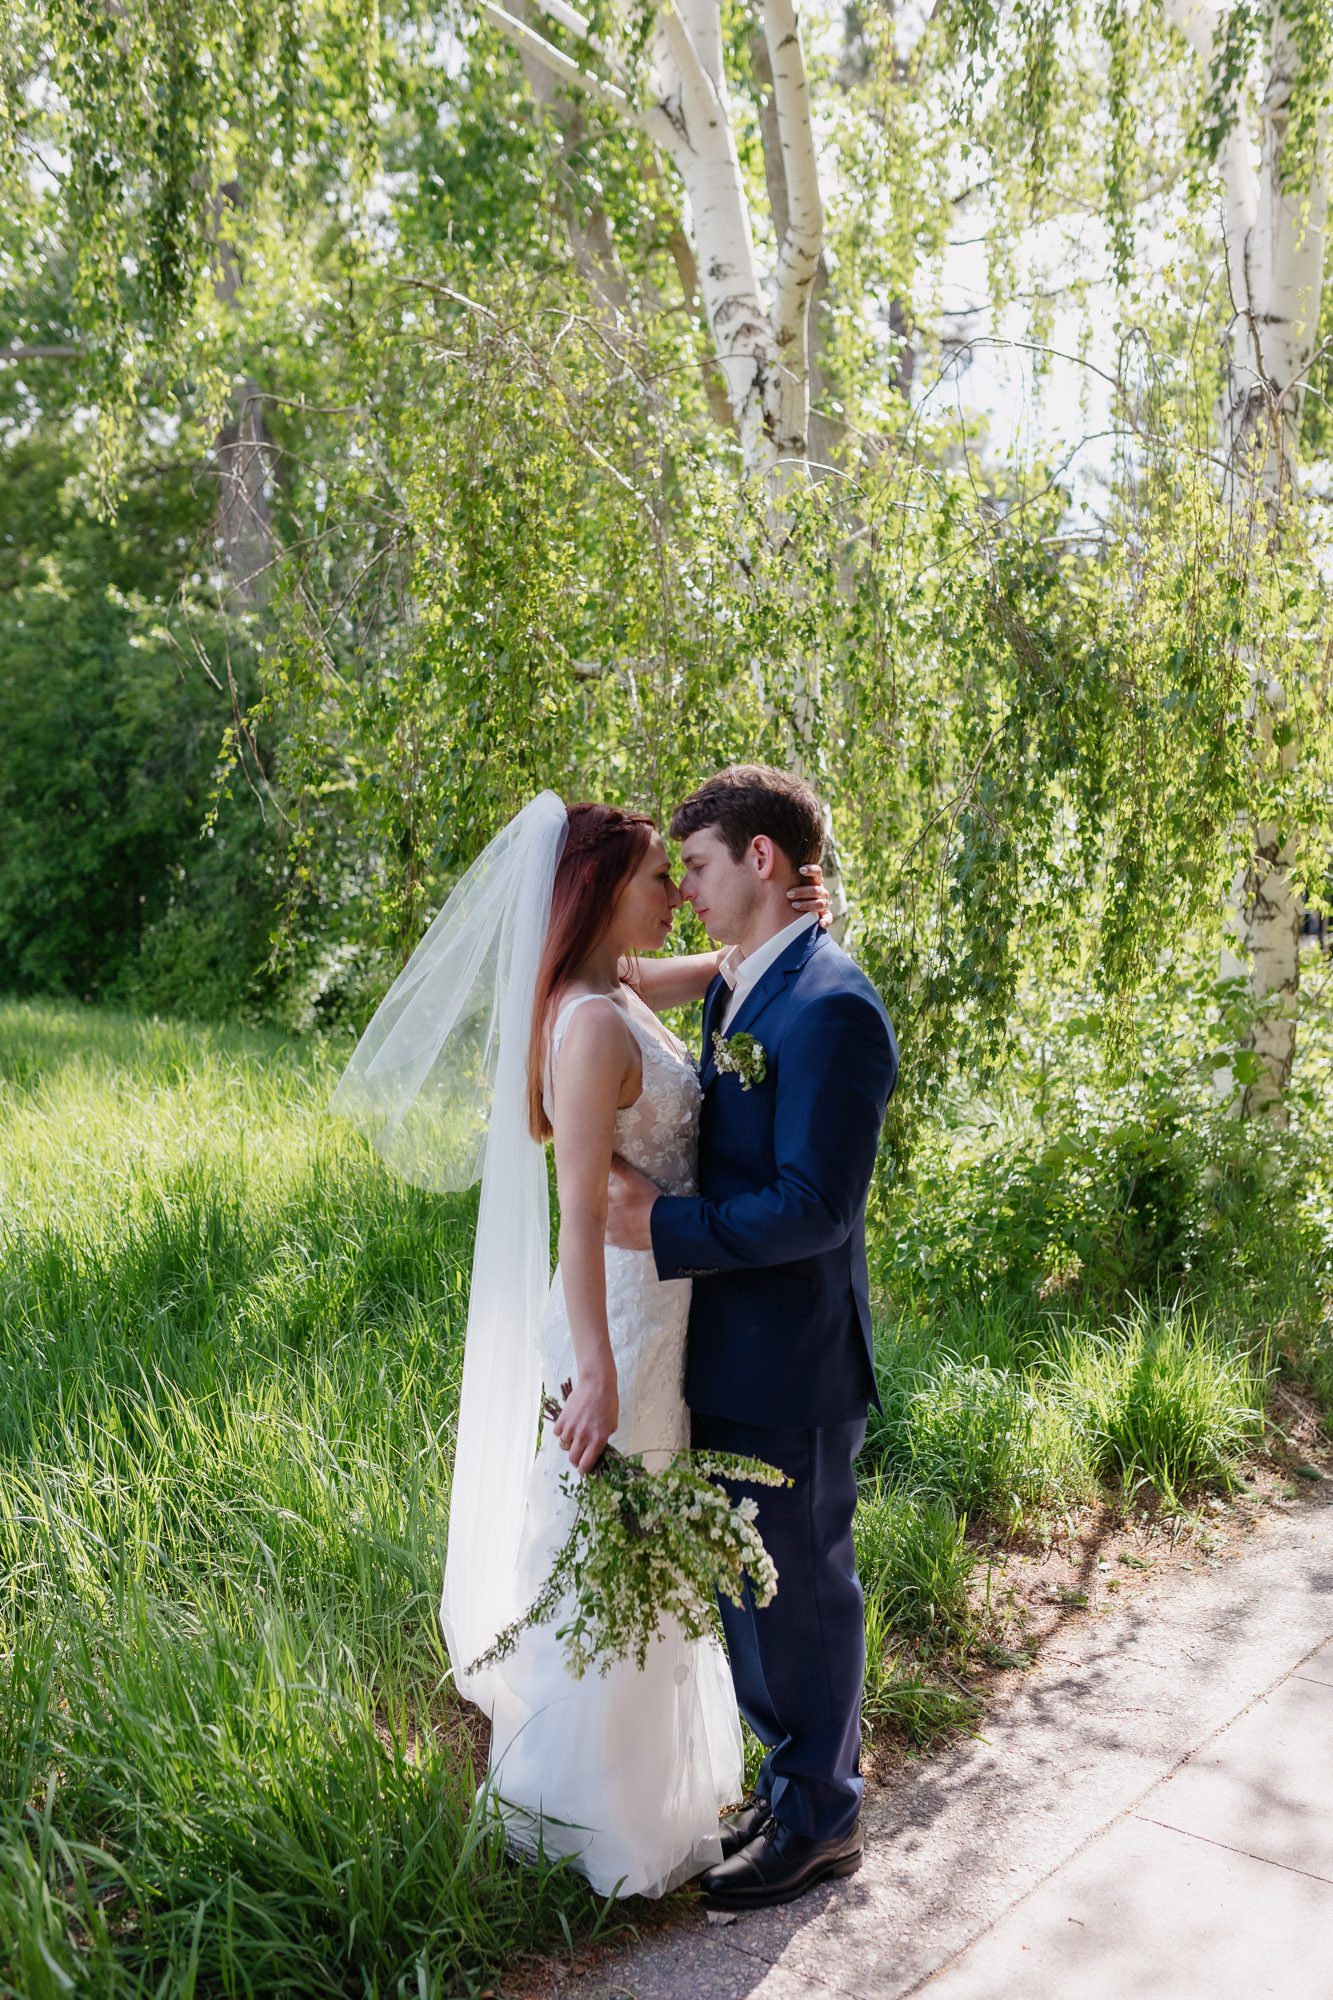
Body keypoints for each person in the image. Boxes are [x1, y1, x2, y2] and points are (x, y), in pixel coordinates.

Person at [329, 791, 828, 1898]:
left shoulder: (605, 988)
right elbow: (578, 1209)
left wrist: (784, 917)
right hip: (625, 1316)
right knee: (615, 1541)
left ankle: (647, 1793)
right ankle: (588, 1817)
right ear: (604, 890)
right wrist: (595, 1365)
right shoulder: (592, 1018)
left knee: (639, 1547)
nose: (676, 895)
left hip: (662, 1299)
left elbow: (695, 973)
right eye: (660, 877)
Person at [606, 764, 899, 1912]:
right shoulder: (742, 982)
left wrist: (659, 1221)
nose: (687, 887)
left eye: (699, 864)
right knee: (749, 1588)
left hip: (795, 1359)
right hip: (727, 1344)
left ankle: (825, 1817)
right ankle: (792, 1783)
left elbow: (817, 1204)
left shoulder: (832, 1005)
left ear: (761, 862)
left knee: (805, 1594)